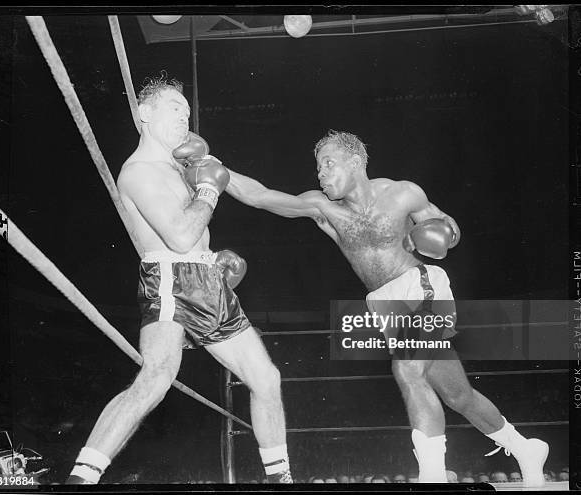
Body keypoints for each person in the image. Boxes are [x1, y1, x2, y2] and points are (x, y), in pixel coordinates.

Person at [224, 129, 549, 487]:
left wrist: (433, 233)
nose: (320, 173)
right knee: (458, 395)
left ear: (356, 161)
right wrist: (213, 168)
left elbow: (449, 228)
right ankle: (526, 448)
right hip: (385, 304)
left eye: (328, 163)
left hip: (420, 284)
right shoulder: (323, 207)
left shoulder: (403, 193)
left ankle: (433, 476)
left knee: (408, 370)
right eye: (318, 167)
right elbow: (260, 197)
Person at [65, 77, 292, 484]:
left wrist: (310, 208)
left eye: (187, 110)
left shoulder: (188, 161)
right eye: (174, 106)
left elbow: (253, 192)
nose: (185, 115)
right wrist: (207, 189)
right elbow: (182, 237)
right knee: (157, 375)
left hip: (208, 279)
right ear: (144, 114)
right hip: (173, 272)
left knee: (266, 378)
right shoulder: (139, 172)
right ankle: (81, 478)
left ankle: (281, 479)